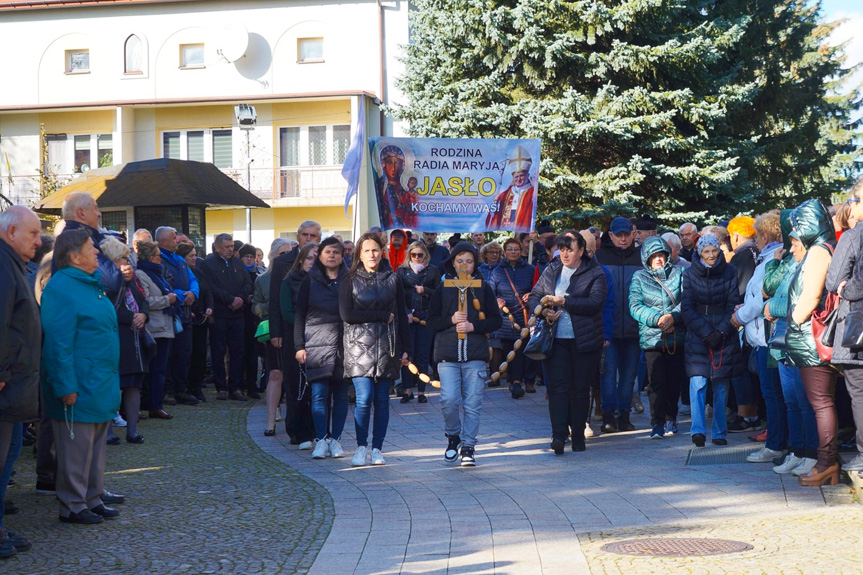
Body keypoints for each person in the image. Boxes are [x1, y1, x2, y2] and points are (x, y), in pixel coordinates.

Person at [41, 228, 121, 525]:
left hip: (97, 381)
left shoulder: (88, 283)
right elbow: (57, 343)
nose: (98, 251)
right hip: (79, 383)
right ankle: (73, 505)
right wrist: (65, 385)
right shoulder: (61, 287)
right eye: (91, 247)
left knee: (95, 447)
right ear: (74, 256)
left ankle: (92, 497)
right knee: (76, 448)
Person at [528, 233, 607, 454]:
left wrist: (564, 302)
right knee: (557, 388)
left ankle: (579, 434)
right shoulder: (552, 269)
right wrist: (543, 311)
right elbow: (535, 295)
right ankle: (558, 435)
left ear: (581, 251)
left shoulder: (595, 272)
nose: (564, 253)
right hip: (556, 340)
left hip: (585, 340)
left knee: (580, 389)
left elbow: (595, 302)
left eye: (569, 249)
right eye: (562, 249)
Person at [340, 232, 411, 467]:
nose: (372, 254)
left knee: (382, 400)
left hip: (386, 347)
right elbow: (347, 315)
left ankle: (377, 448)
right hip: (358, 347)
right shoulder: (349, 279)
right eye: (367, 250)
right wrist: (381, 316)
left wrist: (405, 348)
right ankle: (361, 446)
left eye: (376, 250)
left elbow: (400, 313)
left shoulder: (393, 278)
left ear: (382, 252)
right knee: (364, 399)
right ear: (359, 253)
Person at [428, 241, 502, 465]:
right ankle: (453, 436)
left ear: (475, 264)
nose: (464, 265)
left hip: (475, 355)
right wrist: (450, 321)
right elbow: (431, 322)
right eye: (460, 260)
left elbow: (495, 320)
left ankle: (468, 446)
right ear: (452, 262)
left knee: (472, 403)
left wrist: (473, 326)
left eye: (469, 261)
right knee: (449, 400)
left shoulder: (483, 287)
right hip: (448, 355)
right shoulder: (443, 288)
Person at [785, 199, 839, 486]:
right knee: (822, 402)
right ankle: (827, 461)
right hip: (816, 338)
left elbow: (811, 295)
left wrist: (795, 318)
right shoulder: (827, 247)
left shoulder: (818, 251)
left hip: (812, 338)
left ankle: (826, 463)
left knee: (820, 403)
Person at [763, 209, 818, 476]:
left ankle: (811, 453)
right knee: (791, 401)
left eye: (795, 243)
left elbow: (803, 300)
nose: (791, 247)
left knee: (805, 402)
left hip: (801, 341)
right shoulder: (790, 264)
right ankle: (796, 451)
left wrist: (773, 305)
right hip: (783, 341)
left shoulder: (811, 264)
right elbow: (770, 287)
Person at [0, 206, 42, 557]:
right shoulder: (2, 265)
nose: (39, 241)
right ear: (11, 231)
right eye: (33, 234)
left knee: (10, 454)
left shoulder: (12, 264)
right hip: (6, 384)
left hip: (15, 383)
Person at [730, 213, 786, 462]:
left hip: (768, 336)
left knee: (772, 393)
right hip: (762, 335)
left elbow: (760, 298)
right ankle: (777, 441)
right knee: (772, 392)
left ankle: (776, 444)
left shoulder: (771, 260)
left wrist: (739, 316)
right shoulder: (766, 258)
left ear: (765, 235)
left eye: (757, 235)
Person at [682, 234, 742, 447]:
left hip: (724, 332)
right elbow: (686, 308)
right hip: (698, 333)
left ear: (719, 251)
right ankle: (697, 430)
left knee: (721, 385)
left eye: (714, 251)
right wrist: (706, 332)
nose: (710, 255)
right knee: (697, 382)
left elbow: (733, 303)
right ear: (699, 253)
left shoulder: (730, 271)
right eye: (706, 251)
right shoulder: (689, 274)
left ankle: (719, 431)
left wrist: (722, 331)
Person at [294, 237, 349, 459]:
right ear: (320, 255)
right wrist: (299, 346)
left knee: (342, 395)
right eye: (328, 252)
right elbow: (300, 314)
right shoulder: (310, 280)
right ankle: (321, 439)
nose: (332, 256)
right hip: (316, 343)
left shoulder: (349, 279)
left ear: (342, 256)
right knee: (318, 394)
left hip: (345, 345)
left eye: (336, 252)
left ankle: (335, 439)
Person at [629, 237, 686, 440]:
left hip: (676, 335)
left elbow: (686, 300)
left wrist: (673, 317)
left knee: (674, 380)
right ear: (647, 258)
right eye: (654, 256)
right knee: (655, 382)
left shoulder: (680, 273)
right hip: (652, 337)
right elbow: (635, 305)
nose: (658, 259)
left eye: (661, 255)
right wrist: (657, 320)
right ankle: (657, 422)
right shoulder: (639, 277)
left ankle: (672, 417)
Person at [826, 180, 863, 475]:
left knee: (860, 391)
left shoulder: (853, 236)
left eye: (853, 201)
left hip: (858, 329)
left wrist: (848, 288)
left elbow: (833, 280)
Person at [594, 217, 642, 433]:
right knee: (608, 372)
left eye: (626, 234)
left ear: (633, 234)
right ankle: (608, 415)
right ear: (610, 235)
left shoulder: (641, 257)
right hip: (608, 328)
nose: (623, 239)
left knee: (629, 374)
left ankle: (624, 414)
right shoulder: (600, 257)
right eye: (618, 235)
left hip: (634, 326)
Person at [99, 238, 149, 444]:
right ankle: (109, 431)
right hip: (116, 338)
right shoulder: (106, 281)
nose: (127, 263)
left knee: (133, 385)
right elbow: (109, 308)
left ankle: (133, 430)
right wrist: (132, 317)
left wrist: (143, 315)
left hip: (134, 339)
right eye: (122, 258)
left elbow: (142, 299)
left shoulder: (130, 277)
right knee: (113, 386)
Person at [201, 234, 253, 401]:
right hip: (220, 313)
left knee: (238, 351)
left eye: (231, 246)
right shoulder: (208, 264)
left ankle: (235, 387)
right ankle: (221, 387)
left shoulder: (238, 263)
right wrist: (229, 299)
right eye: (226, 246)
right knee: (218, 350)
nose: (230, 249)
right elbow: (210, 287)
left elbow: (247, 283)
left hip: (237, 315)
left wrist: (240, 298)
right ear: (217, 247)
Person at [156, 226, 200, 407]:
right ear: (164, 241)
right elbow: (163, 284)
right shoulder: (159, 260)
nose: (177, 241)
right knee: (170, 354)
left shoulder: (180, 260)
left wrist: (194, 293)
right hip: (170, 314)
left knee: (184, 352)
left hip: (185, 314)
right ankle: (169, 391)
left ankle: (181, 389)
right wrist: (183, 295)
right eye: (174, 238)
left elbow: (193, 280)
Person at [251, 239, 291, 436]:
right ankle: (270, 420)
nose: (285, 257)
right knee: (274, 373)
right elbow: (255, 306)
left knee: (292, 376)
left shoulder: (297, 276)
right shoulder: (262, 279)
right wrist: (273, 307)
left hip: (293, 330)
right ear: (272, 255)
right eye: (281, 253)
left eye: (288, 253)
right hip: (273, 330)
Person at [135, 242, 177, 419]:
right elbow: (144, 300)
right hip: (154, 328)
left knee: (160, 369)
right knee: (149, 370)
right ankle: (144, 405)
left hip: (165, 326)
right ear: (151, 257)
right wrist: (167, 300)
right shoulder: (141, 274)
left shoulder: (159, 274)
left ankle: (155, 404)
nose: (161, 259)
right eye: (159, 255)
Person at [282, 242, 318, 448]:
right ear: (302, 260)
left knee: (315, 388)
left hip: (318, 340)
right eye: (309, 258)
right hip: (296, 339)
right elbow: (286, 312)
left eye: (316, 258)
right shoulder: (289, 282)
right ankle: (296, 430)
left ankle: (314, 429)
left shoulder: (321, 281)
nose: (312, 263)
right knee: (296, 386)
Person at [490, 237, 536, 398]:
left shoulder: (530, 269)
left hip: (524, 315)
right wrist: (496, 300)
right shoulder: (497, 271)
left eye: (516, 249)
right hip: (505, 316)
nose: (513, 252)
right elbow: (490, 292)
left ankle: (518, 381)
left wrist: (531, 295)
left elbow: (537, 289)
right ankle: (513, 381)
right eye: (509, 249)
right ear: (504, 252)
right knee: (509, 348)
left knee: (522, 348)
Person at [398, 241, 441, 404]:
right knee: (407, 354)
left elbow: (439, 293)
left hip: (425, 317)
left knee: (423, 354)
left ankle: (422, 391)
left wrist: (426, 291)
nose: (416, 258)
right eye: (413, 255)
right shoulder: (402, 271)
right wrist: (406, 312)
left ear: (425, 255)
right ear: (409, 254)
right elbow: (399, 295)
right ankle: (407, 389)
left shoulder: (433, 270)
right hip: (408, 318)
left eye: (420, 255)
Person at [56, 192, 122, 297]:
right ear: (81, 213)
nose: (99, 214)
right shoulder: (78, 240)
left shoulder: (74, 237)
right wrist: (118, 270)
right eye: (95, 209)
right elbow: (111, 282)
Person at [176, 242, 213, 402]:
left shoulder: (199, 272)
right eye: (191, 256)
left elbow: (208, 291)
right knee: (187, 355)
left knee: (200, 354)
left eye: (195, 255)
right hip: (188, 318)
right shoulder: (179, 274)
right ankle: (185, 386)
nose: (194, 258)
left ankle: (196, 386)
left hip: (201, 319)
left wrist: (210, 307)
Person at [485, 145, 536, 232]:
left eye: (521, 176)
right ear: (513, 177)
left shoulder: (532, 193)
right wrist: (494, 203)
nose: (519, 179)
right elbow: (493, 217)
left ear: (527, 175)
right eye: (516, 177)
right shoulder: (504, 195)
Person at [238, 244, 262, 399]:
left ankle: (252, 385)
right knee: (241, 353)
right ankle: (240, 384)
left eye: (251, 257)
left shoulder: (258, 275)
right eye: (246, 257)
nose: (249, 260)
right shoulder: (237, 274)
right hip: (240, 317)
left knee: (254, 354)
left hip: (255, 319)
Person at [375, 146, 418, 229]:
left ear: (402, 165)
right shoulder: (379, 186)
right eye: (389, 162)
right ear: (383, 164)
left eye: (397, 163)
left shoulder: (405, 188)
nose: (393, 168)